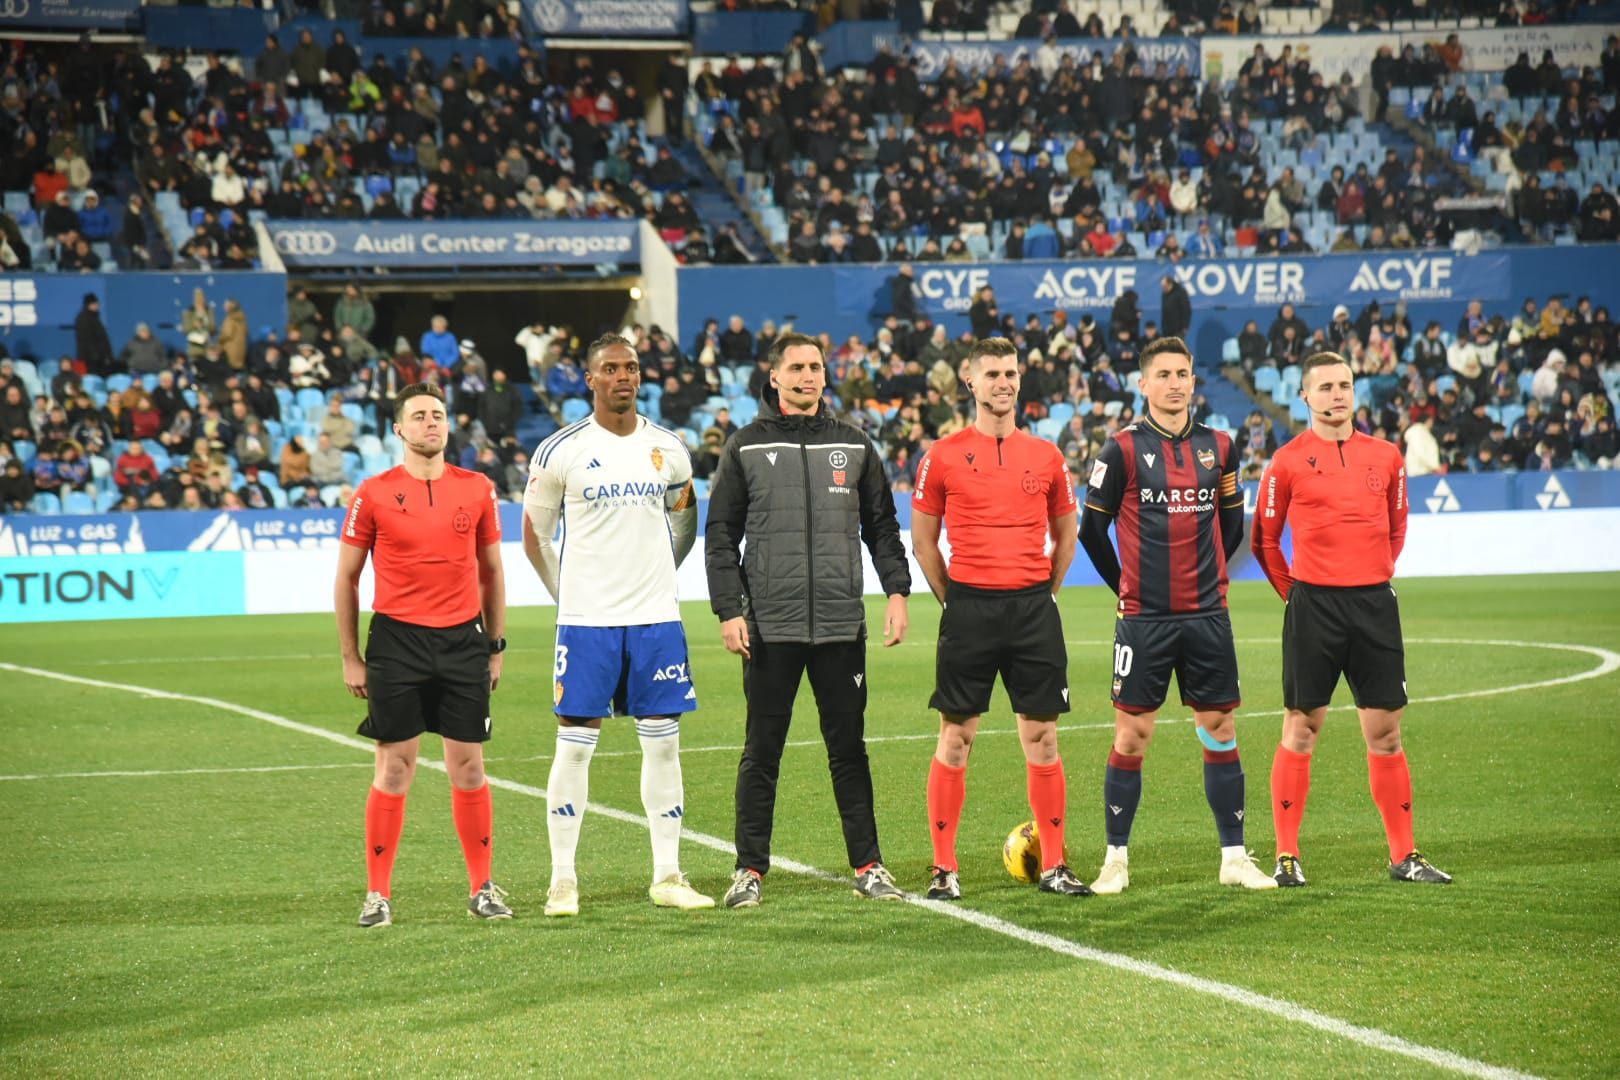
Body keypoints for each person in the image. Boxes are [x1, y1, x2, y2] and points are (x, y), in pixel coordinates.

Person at [704, 331, 912, 908]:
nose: (807, 376)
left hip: (842, 627)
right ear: (774, 377)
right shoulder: (745, 446)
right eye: (795, 368)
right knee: (761, 750)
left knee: (849, 750)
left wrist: (897, 591)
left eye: (815, 367)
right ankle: (748, 870)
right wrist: (729, 609)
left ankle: (869, 866)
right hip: (770, 627)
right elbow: (720, 536)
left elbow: (882, 527)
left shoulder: (854, 444)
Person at [520, 335, 714, 917]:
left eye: (630, 367)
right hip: (588, 624)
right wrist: (568, 597)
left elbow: (684, 524)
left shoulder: (670, 449)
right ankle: (562, 881)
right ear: (590, 379)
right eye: (611, 369)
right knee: (574, 746)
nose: (623, 377)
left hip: (655, 620)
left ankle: (668, 875)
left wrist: (658, 578)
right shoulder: (561, 451)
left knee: (664, 744)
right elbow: (535, 537)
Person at [1077, 337, 1276, 894]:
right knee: (1133, 734)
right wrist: (1125, 585)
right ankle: (1115, 859)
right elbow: (1093, 529)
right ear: (1144, 385)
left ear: (1193, 381)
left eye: (1183, 373)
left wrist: (1212, 579)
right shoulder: (1118, 450)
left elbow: (1234, 524)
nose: (1174, 383)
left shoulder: (1221, 446)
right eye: (1162, 374)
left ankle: (1233, 856)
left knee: (1219, 727)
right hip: (1144, 619)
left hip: (1207, 614)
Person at [1251, 351, 1451, 887]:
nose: (1338, 395)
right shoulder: (1287, 461)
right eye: (1326, 387)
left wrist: (1372, 571)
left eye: (1345, 385)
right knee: (1301, 726)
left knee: (1385, 731)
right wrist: (1295, 594)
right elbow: (1265, 540)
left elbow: (1397, 526)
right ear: (1306, 397)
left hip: (1373, 605)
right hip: (1314, 606)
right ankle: (1287, 856)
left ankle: (1404, 855)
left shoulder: (1386, 457)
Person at [910, 337, 1088, 901]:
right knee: (956, 738)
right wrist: (956, 601)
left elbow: (1065, 535)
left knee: (1042, 738)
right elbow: (923, 543)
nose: (1003, 382)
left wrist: (1043, 590)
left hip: (1033, 609)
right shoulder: (940, 455)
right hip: (969, 608)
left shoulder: (1047, 455)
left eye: (1011, 373)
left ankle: (1055, 865)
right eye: (992, 374)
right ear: (970, 380)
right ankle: (944, 869)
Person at [334, 381, 512, 929]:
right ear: (398, 429)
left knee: (468, 765)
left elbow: (491, 571)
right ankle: (377, 894)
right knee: (394, 767)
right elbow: (346, 577)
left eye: (437, 414)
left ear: (448, 424)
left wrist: (495, 644)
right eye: (418, 416)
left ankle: (482, 886)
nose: (430, 423)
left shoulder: (477, 488)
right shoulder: (373, 492)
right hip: (396, 644)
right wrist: (350, 656)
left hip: (462, 641)